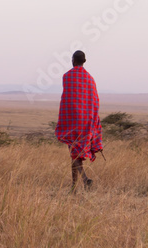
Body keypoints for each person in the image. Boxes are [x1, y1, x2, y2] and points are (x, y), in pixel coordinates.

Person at [55, 50, 103, 190]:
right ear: (84, 61)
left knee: (74, 152)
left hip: (73, 120)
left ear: (73, 60)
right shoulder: (90, 78)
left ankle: (84, 178)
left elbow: (68, 99)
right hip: (87, 121)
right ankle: (74, 187)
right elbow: (94, 101)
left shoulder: (67, 76)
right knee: (75, 153)